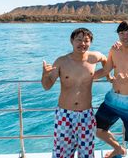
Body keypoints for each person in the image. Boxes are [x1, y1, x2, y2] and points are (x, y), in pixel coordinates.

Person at [41, 27, 107, 158]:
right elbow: (47, 86)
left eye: (86, 40)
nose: (82, 43)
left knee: (87, 153)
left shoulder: (93, 57)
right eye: (79, 40)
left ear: (90, 43)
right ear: (72, 41)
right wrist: (44, 75)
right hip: (65, 114)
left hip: (86, 114)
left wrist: (105, 75)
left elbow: (105, 60)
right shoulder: (61, 61)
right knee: (62, 153)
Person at [95, 20, 128, 158]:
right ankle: (118, 149)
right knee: (96, 129)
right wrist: (86, 77)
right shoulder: (114, 50)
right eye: (121, 33)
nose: (125, 36)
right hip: (112, 99)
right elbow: (106, 70)